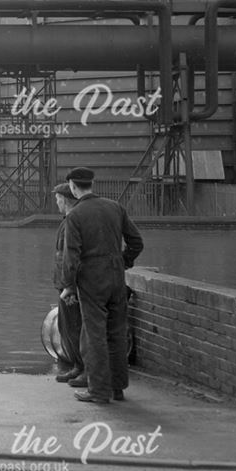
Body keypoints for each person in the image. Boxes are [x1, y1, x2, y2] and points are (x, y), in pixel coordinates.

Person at [59, 167, 143, 404]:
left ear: (73, 187)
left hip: (92, 280)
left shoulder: (75, 215)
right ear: (91, 184)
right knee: (116, 332)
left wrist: (68, 285)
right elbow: (137, 241)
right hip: (116, 277)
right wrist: (123, 261)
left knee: (93, 335)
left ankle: (98, 391)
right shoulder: (114, 207)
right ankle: (117, 388)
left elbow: (71, 256)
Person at [51, 183, 84, 385]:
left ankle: (82, 368)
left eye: (57, 199)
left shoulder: (72, 221)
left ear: (64, 199)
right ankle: (77, 366)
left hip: (70, 286)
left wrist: (69, 287)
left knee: (74, 329)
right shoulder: (67, 221)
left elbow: (70, 257)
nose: (56, 203)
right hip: (65, 284)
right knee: (68, 328)